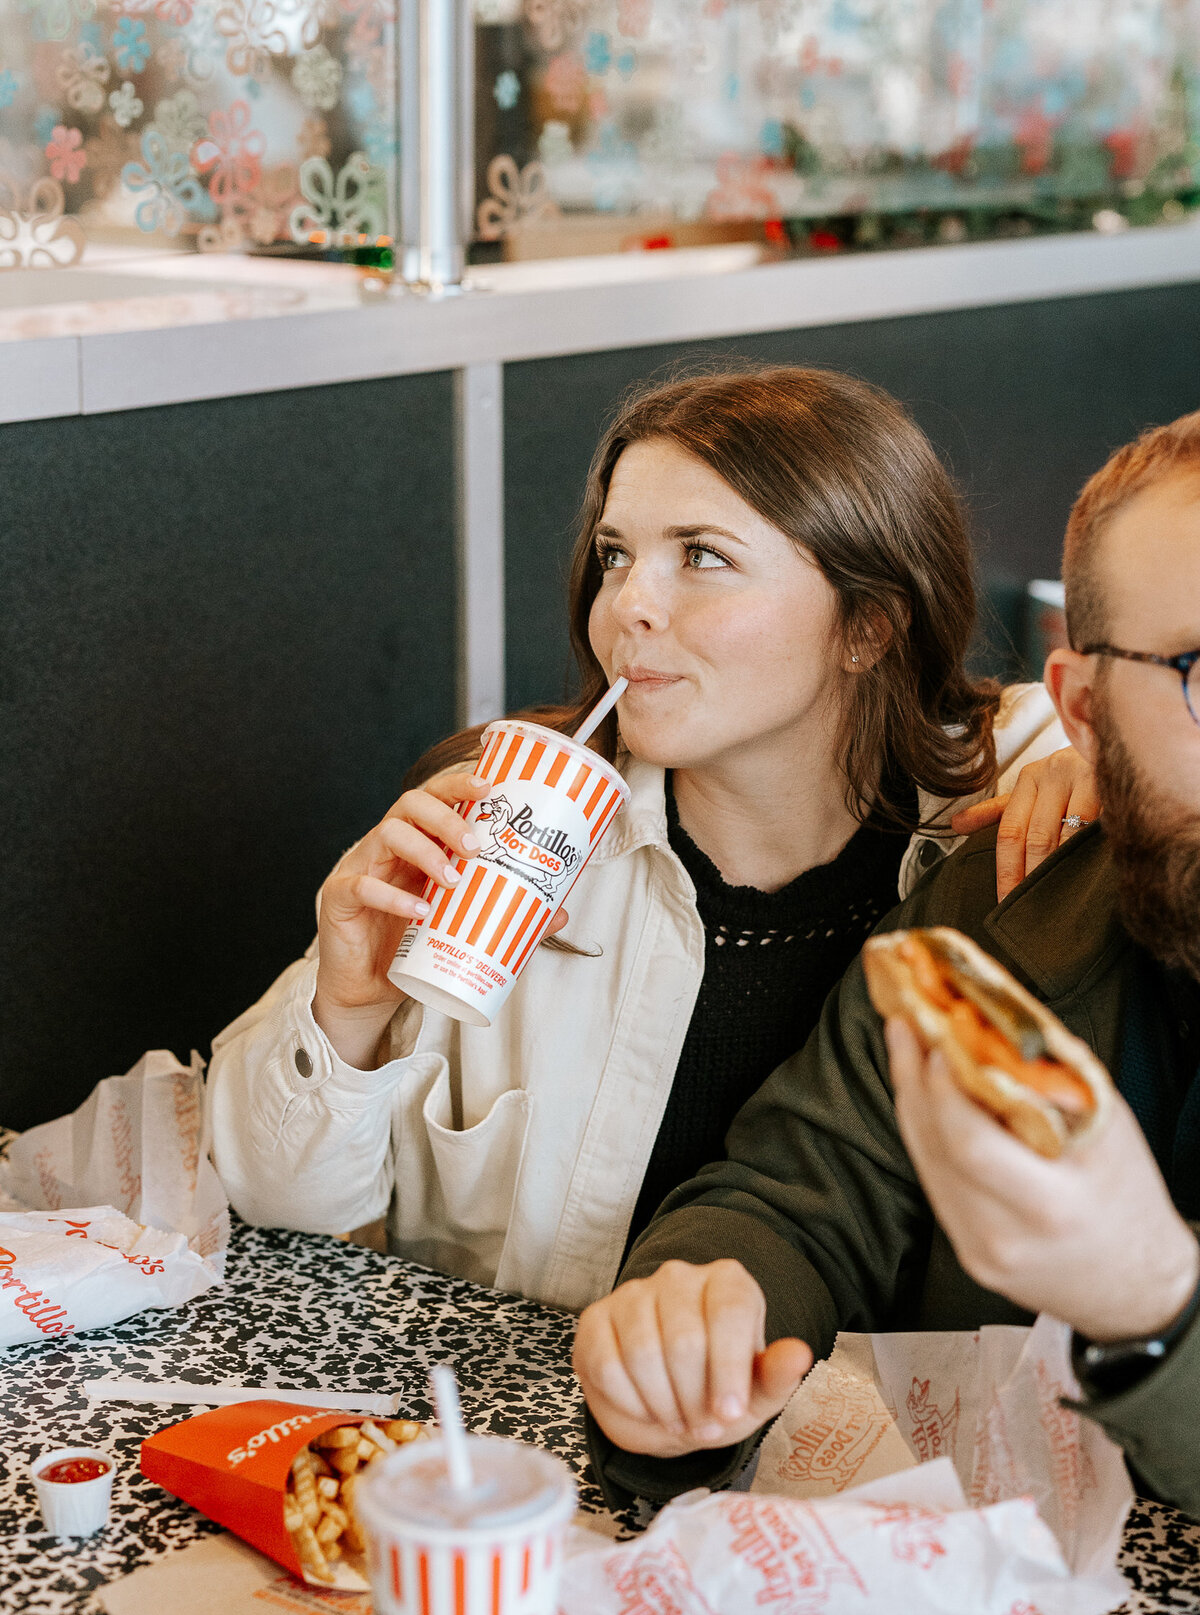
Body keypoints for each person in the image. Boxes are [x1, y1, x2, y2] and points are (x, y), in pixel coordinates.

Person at [208, 366, 1092, 1312]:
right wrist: (342, 1011)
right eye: (617, 555)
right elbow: (273, 1206)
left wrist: (1133, 779)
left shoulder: (1018, 778)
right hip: (549, 1427)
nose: (629, 604)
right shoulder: (504, 819)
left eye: (702, 555)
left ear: (867, 625)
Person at [574, 410, 1200, 1522]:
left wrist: (1155, 1301)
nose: (636, 603)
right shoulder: (994, 918)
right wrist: (696, 1320)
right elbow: (804, 1195)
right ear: (1088, 714)